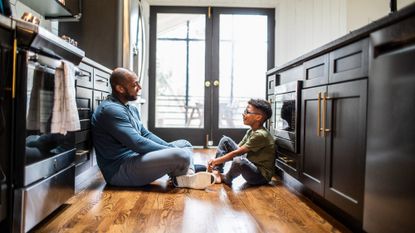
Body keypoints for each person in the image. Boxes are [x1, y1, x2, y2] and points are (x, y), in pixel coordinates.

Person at [91, 67, 215, 189]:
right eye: (135, 85)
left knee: (184, 144)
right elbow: (138, 144)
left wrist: (170, 148)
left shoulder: (130, 108)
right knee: (181, 154)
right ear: (120, 89)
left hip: (135, 158)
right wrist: (170, 150)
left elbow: (145, 134)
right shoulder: (110, 110)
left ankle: (186, 174)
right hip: (120, 171)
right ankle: (185, 170)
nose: (139, 87)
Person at [207, 99, 275, 186]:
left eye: (247, 112)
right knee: (225, 141)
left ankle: (226, 178)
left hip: (260, 176)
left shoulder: (261, 135)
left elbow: (236, 153)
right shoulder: (251, 131)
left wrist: (215, 161)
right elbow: (237, 148)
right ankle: (216, 171)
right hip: (250, 164)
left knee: (239, 161)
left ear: (258, 117)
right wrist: (217, 162)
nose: (243, 114)